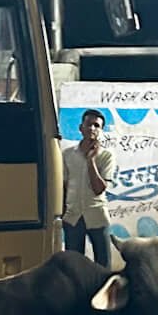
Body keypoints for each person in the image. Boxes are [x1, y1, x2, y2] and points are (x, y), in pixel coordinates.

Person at [61, 107, 116, 267]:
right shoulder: (68, 154)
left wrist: (90, 160)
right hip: (73, 216)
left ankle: (103, 292)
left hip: (97, 215)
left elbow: (99, 188)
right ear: (81, 128)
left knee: (103, 264)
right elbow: (64, 185)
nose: (92, 128)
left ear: (101, 130)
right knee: (73, 265)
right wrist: (62, 212)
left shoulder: (106, 156)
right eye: (88, 124)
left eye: (96, 126)